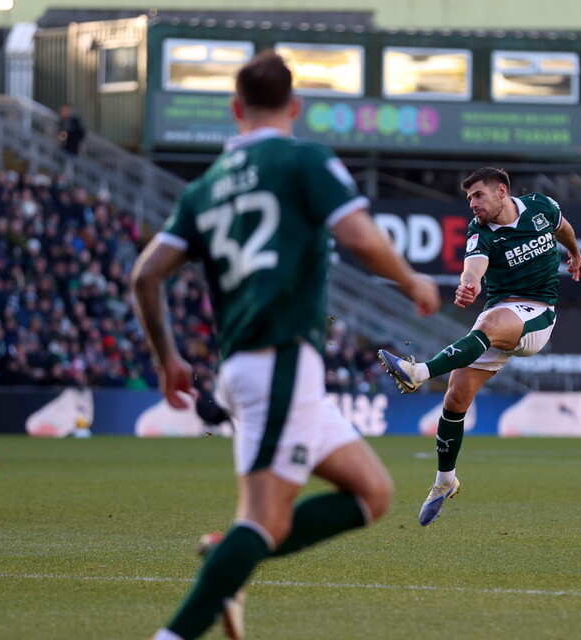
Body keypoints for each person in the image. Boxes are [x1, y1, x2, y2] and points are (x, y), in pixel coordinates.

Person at [131, 52, 440, 640]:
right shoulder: (304, 159)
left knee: (372, 493)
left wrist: (166, 358)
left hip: (271, 369)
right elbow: (356, 234)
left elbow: (145, 276)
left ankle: (231, 560)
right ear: (295, 107)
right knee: (266, 519)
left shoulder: (206, 187)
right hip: (275, 362)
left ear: (234, 109)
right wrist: (412, 281)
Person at [378, 166, 581, 526]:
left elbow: (562, 227)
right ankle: (444, 482)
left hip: (537, 313)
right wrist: (469, 285)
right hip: (500, 313)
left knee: (490, 325)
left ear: (501, 191)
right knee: (455, 399)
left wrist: (576, 254)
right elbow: (473, 269)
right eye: (469, 198)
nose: (472, 204)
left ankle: (419, 372)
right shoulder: (480, 232)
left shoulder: (541, 207)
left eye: (478, 195)